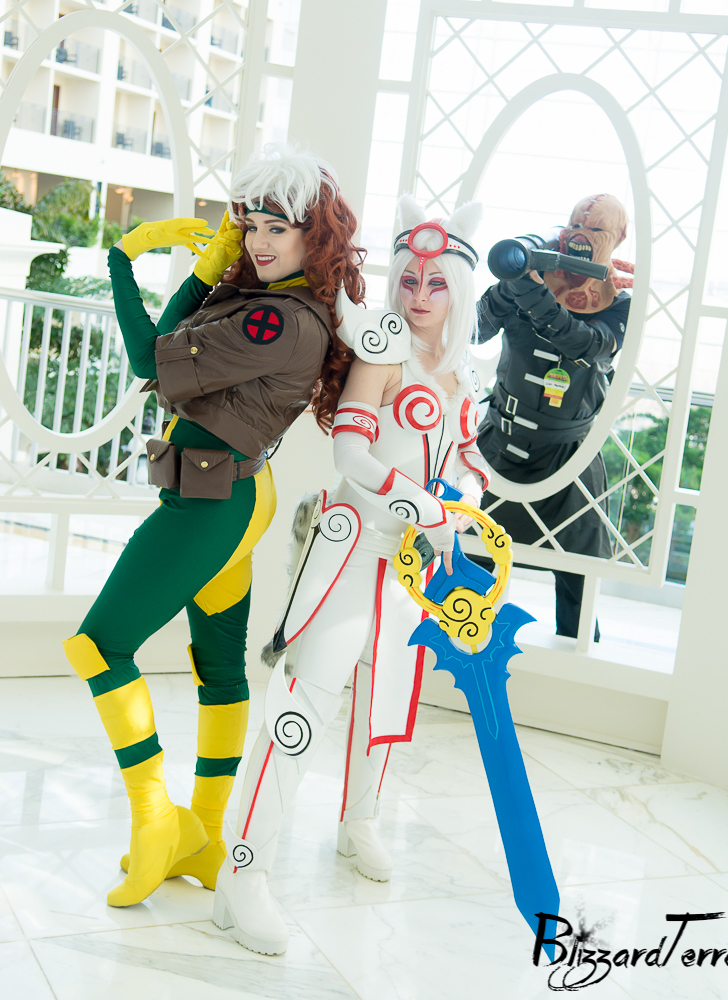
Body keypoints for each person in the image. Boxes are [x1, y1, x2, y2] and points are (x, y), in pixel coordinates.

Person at [61, 143, 364, 908]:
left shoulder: (275, 319)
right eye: (249, 224)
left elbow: (146, 356)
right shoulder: (268, 303)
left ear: (313, 236)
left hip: (213, 501)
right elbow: (172, 344)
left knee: (98, 644)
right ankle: (205, 833)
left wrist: (124, 264)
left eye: (276, 228)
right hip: (227, 492)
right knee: (219, 670)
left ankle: (157, 822)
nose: (257, 241)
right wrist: (209, 270)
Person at [214, 195, 491, 956]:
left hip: (408, 568)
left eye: (438, 283)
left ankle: (359, 822)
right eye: (411, 280)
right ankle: (243, 871)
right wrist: (422, 506)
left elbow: (466, 463)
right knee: (303, 707)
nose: (420, 294)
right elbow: (351, 456)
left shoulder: (460, 372)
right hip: (352, 549)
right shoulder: (385, 348)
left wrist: (459, 508)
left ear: (461, 290)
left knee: (388, 695)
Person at [475, 193, 633, 639]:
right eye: (575, 225)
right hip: (499, 448)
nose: (582, 235)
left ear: (619, 237)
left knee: (578, 582)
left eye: (596, 229)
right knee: (469, 568)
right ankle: (452, 659)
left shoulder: (619, 300)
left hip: (571, 460)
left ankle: (578, 673)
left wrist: (531, 292)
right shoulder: (530, 276)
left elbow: (586, 345)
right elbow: (472, 329)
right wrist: (514, 279)